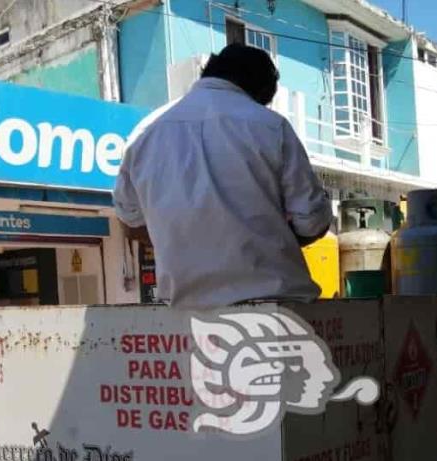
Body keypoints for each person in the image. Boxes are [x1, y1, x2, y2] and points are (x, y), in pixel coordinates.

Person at [113, 43, 333, 309]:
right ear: (262, 90)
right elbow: (312, 222)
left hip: (183, 310)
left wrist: (185, 241)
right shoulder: (271, 126)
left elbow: (130, 221)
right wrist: (263, 239)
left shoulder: (144, 135)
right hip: (275, 306)